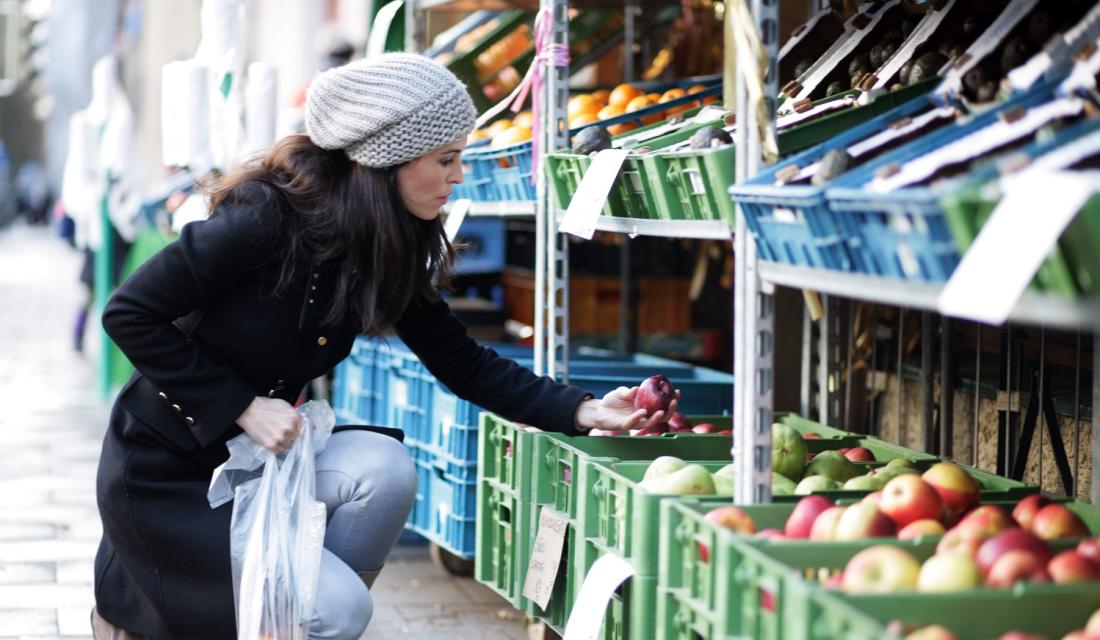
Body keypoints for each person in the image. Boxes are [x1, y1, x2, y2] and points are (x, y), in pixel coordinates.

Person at [91, 53, 676, 640]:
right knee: (340, 609)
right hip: (170, 478)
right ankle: (261, 615)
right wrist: (242, 405)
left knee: (385, 472)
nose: (460, 175)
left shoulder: (379, 243)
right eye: (446, 159)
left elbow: (462, 361)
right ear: (384, 162)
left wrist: (586, 409)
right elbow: (130, 312)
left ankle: (287, 617)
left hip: (262, 467)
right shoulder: (265, 219)